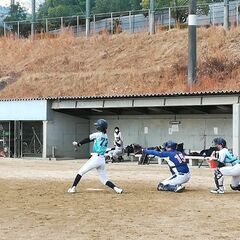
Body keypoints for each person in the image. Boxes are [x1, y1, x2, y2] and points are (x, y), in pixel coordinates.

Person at [67, 119, 123, 194]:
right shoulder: (105, 136)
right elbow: (92, 140)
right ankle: (116, 189)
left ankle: (73, 188)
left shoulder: (97, 134)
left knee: (80, 172)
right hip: (102, 160)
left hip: (95, 158)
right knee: (104, 179)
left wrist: (79, 144)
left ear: (99, 127)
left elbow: (87, 139)